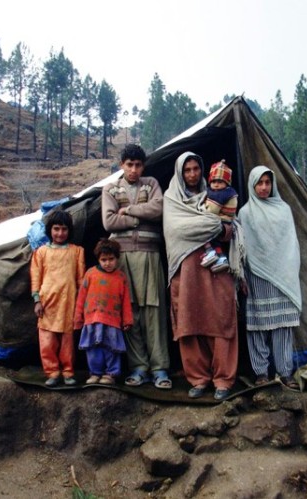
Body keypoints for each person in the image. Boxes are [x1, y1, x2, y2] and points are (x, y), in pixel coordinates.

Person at [163, 151, 242, 401]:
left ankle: (223, 379)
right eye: (187, 170)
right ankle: (198, 379)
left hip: (215, 269)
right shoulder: (171, 200)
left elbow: (230, 228)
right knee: (190, 324)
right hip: (185, 271)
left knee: (220, 321)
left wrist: (220, 228)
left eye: (196, 168)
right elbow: (176, 230)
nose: (192, 174)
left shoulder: (216, 197)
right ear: (179, 173)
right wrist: (214, 226)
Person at [101, 144, 171, 390]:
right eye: (129, 164)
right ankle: (139, 367)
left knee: (154, 311)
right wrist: (140, 217)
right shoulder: (110, 188)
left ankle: (160, 368)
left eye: (138, 165)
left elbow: (159, 208)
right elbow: (109, 221)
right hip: (123, 258)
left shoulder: (151, 184)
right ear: (121, 164)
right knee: (130, 313)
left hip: (150, 255)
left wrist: (128, 210)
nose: (133, 169)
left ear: (143, 166)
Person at [239, 166, 302, 389]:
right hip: (256, 274)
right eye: (260, 183)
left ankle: (285, 372)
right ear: (252, 185)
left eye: (267, 182)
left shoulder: (284, 209)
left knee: (283, 326)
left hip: (283, 274)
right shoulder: (245, 213)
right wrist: (242, 277)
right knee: (258, 325)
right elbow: (242, 247)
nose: (264, 187)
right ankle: (261, 373)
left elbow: (290, 244)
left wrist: (289, 268)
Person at [30, 209, 86, 387]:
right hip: (47, 302)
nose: (60, 233)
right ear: (50, 230)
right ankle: (52, 372)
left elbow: (81, 279)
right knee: (47, 340)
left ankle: (68, 371)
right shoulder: (41, 252)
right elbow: (36, 277)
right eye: (56, 229)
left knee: (67, 341)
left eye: (64, 229)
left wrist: (82, 302)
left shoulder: (77, 252)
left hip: (69, 301)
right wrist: (37, 300)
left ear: (69, 231)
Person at [73, 239, 134, 385]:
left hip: (112, 320)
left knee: (111, 348)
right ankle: (95, 373)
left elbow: (126, 300)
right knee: (93, 349)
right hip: (92, 319)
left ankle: (110, 374)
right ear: (98, 259)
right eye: (103, 259)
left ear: (117, 258)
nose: (107, 263)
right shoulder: (90, 274)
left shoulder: (120, 277)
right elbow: (81, 297)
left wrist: (127, 320)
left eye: (111, 259)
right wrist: (78, 319)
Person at [200, 159, 238, 273]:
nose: (216, 184)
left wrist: (201, 209)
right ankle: (221, 258)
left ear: (227, 183)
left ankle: (209, 251)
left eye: (220, 181)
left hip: (221, 222)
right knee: (216, 241)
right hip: (224, 222)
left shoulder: (221, 195)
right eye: (214, 181)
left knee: (202, 230)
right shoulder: (229, 192)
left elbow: (211, 210)